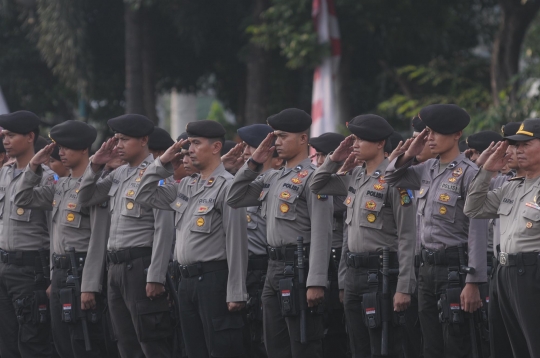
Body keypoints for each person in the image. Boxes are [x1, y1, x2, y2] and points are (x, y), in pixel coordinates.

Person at [133, 120, 248, 358]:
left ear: (216, 147)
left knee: (221, 348)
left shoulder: (227, 186)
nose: (190, 150)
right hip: (185, 282)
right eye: (189, 144)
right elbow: (144, 194)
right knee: (193, 350)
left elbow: (236, 242)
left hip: (214, 280)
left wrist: (236, 291)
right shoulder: (186, 184)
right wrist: (163, 163)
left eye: (196, 143)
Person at [227, 108, 333, 358]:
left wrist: (316, 280)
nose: (277, 143)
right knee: (274, 347)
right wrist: (253, 163)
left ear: (303, 139)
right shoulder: (272, 177)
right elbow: (234, 197)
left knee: (303, 346)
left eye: (283, 136)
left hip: (300, 267)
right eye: (275, 137)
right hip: (273, 268)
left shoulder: (315, 178)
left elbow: (322, 231)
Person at [384, 104, 487, 358]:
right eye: (426, 132)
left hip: (455, 270)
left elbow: (477, 230)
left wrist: (474, 281)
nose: (429, 138)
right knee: (430, 346)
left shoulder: (470, 174)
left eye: (435, 133)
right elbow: (390, 178)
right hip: (426, 270)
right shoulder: (427, 169)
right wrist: (410, 154)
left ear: (456, 135)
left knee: (456, 344)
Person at [310, 115, 416, 358]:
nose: (354, 144)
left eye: (360, 139)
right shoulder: (355, 176)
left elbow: (408, 236)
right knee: (358, 348)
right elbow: (316, 184)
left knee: (384, 346)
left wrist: (404, 287)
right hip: (354, 275)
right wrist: (335, 159)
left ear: (380, 143)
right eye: (354, 139)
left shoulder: (394, 179)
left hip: (381, 275)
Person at [76, 114, 175, 357]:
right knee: (125, 342)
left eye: (124, 139)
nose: (117, 145)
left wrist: (156, 275)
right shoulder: (119, 175)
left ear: (143, 140)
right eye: (116, 139)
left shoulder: (158, 174)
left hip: (141, 266)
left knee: (151, 342)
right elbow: (85, 199)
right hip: (116, 268)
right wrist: (95, 165)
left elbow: (164, 229)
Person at [14, 120, 109, 357]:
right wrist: (33, 166)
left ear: (84, 149)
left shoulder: (97, 187)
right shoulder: (61, 186)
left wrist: (89, 286)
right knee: (62, 344)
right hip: (59, 275)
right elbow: (22, 199)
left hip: (80, 275)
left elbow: (98, 239)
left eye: (67, 147)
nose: (61, 153)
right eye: (59, 147)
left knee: (83, 343)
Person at [463, 118, 540, 358]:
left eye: (526, 144)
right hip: (504, 273)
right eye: (515, 145)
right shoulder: (512, 186)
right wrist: (487, 171)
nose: (518, 150)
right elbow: (473, 208)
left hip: (532, 273)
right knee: (512, 347)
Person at [0, 111, 56, 358]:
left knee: (33, 342)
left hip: (31, 269)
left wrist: (54, 276)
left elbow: (55, 230)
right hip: (5, 267)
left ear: (30, 136)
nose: (5, 141)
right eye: (4, 136)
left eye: (11, 136)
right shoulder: (4, 173)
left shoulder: (46, 178)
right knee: (7, 343)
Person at [235, 124, 279, 358]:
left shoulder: (270, 183)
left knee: (264, 338)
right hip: (243, 270)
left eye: (250, 147)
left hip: (263, 269)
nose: (244, 152)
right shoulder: (246, 183)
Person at [309, 132, 349, 358]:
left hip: (342, 264)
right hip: (324, 263)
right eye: (320, 155)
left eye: (328, 155)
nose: (322, 161)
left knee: (338, 333)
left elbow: (336, 206)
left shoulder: (347, 180)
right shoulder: (321, 179)